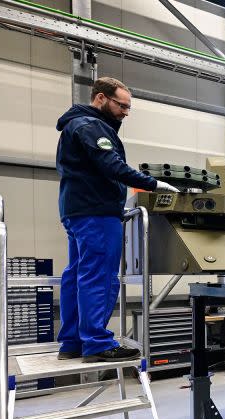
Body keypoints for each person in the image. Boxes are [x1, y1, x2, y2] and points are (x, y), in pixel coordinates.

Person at [55, 77, 179, 362]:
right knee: (99, 277)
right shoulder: (90, 126)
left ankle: (72, 342)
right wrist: (154, 184)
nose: (125, 112)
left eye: (128, 108)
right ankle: (97, 343)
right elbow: (112, 166)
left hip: (77, 211)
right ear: (100, 98)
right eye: (122, 106)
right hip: (96, 212)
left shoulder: (76, 125)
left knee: (77, 274)